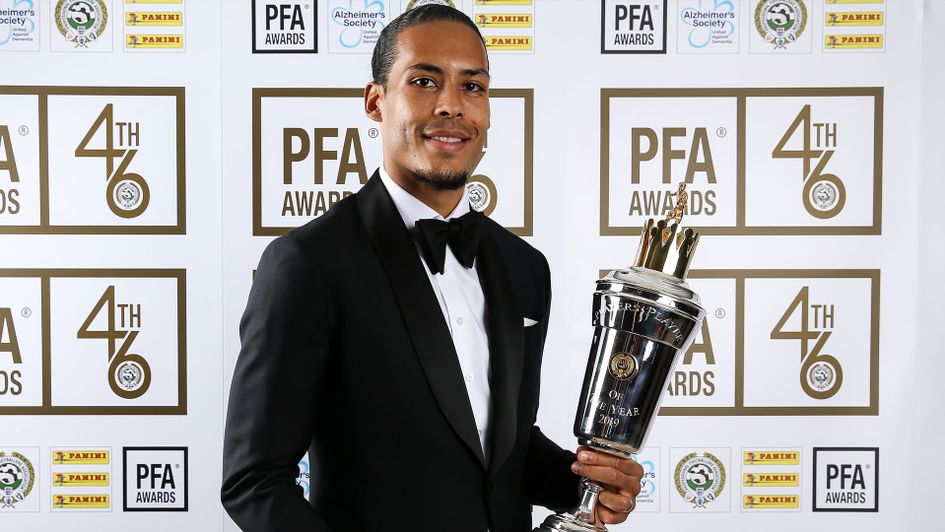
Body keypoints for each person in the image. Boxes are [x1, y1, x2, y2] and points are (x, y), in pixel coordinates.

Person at [221, 5, 642, 532]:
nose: (451, 106)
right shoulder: (308, 264)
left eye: (473, 87)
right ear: (377, 102)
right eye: (424, 81)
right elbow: (254, 480)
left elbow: (500, 449)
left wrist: (586, 485)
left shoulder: (524, 267)